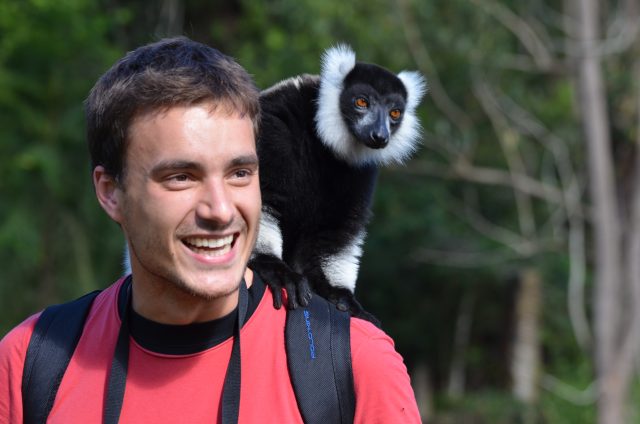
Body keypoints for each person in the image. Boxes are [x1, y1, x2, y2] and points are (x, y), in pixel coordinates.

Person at [0, 37, 421, 423]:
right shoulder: (30, 362)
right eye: (181, 177)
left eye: (240, 173)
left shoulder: (355, 366)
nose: (220, 211)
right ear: (111, 193)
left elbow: (336, 242)